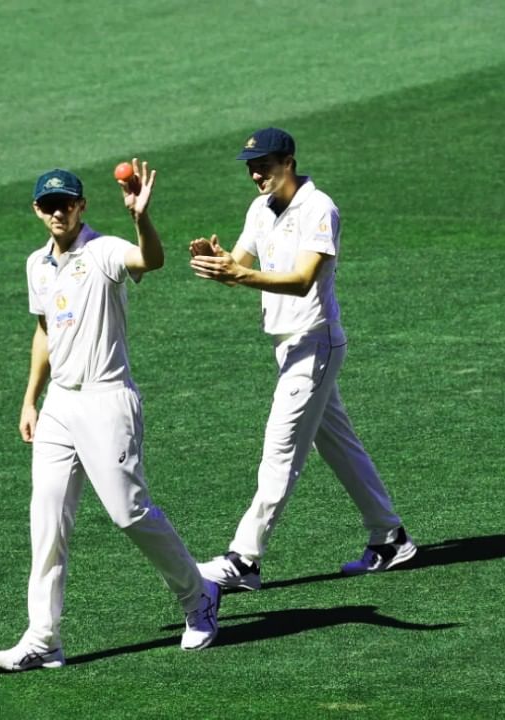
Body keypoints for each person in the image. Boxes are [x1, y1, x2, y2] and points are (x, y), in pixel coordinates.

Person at [0, 165, 219, 673]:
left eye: (65, 204)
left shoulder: (104, 250)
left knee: (128, 513)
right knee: (46, 521)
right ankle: (43, 638)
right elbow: (45, 330)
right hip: (59, 408)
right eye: (48, 206)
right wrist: (31, 398)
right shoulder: (37, 265)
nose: (57, 212)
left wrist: (143, 217)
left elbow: (151, 260)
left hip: (107, 400)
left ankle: (198, 594)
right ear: (37, 211)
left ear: (81, 206)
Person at [188, 128, 414, 590]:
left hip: (316, 342)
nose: (256, 174)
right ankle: (390, 538)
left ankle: (245, 558)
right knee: (339, 446)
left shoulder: (318, 208)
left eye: (265, 165)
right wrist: (219, 264)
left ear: (288, 162)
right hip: (286, 345)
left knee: (280, 448)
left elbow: (302, 279)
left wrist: (240, 272)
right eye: (251, 166)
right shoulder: (259, 208)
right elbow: (240, 267)